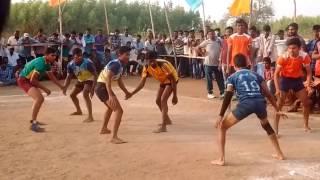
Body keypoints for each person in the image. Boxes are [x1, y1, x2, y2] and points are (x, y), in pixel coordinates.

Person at [211, 54, 285, 166]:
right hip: (260, 102)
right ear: (246, 64)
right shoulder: (256, 75)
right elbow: (268, 94)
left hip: (246, 103)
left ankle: (221, 159)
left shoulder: (232, 77)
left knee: (222, 126)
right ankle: (279, 154)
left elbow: (228, 95)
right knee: (266, 126)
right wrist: (277, 109)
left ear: (234, 65)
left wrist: (220, 115)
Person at [17, 47, 65, 132]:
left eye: (55, 55)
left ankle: (33, 120)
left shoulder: (46, 62)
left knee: (39, 99)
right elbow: (33, 80)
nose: (54, 57)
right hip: (24, 80)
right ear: (46, 55)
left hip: (27, 80)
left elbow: (51, 77)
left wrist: (61, 87)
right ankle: (33, 124)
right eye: (52, 55)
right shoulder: (41, 63)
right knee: (39, 99)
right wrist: (46, 89)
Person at [128, 51, 178, 133]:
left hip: (172, 80)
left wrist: (175, 96)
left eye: (152, 60)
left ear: (156, 59)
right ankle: (167, 120)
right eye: (149, 60)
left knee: (163, 100)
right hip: (163, 80)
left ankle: (163, 126)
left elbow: (172, 80)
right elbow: (142, 84)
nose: (151, 62)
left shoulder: (163, 65)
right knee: (157, 100)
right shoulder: (146, 67)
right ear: (146, 60)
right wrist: (132, 93)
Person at [274, 38, 312, 135]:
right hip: (285, 80)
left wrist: (308, 83)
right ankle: (275, 129)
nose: (291, 50)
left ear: (299, 48)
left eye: (294, 48)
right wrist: (277, 89)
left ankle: (306, 125)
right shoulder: (283, 57)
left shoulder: (304, 56)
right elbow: (276, 74)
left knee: (306, 102)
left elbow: (308, 72)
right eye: (289, 48)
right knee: (279, 104)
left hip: (297, 80)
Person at [95, 46, 131, 144]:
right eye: (126, 55)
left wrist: (126, 92)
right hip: (102, 87)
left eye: (129, 55)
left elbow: (119, 81)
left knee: (111, 108)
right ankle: (114, 137)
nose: (128, 57)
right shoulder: (116, 64)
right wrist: (110, 95)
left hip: (101, 87)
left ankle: (104, 128)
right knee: (119, 111)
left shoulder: (120, 65)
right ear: (120, 54)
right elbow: (107, 79)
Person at [63, 48, 97, 123]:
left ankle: (90, 116)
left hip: (89, 79)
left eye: (80, 56)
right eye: (77, 56)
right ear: (73, 57)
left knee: (85, 94)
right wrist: (65, 87)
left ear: (82, 55)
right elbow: (68, 77)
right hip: (81, 80)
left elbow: (95, 75)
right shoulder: (70, 64)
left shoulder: (88, 63)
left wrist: (93, 88)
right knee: (72, 95)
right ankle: (78, 111)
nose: (79, 58)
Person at [196, 29, 224, 99]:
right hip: (208, 63)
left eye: (213, 34)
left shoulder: (219, 40)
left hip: (217, 63)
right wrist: (202, 54)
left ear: (215, 34)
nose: (211, 35)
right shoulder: (206, 41)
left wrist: (221, 61)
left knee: (219, 78)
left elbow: (223, 49)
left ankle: (222, 92)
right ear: (208, 35)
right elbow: (197, 48)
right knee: (209, 79)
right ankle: (210, 93)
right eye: (210, 34)